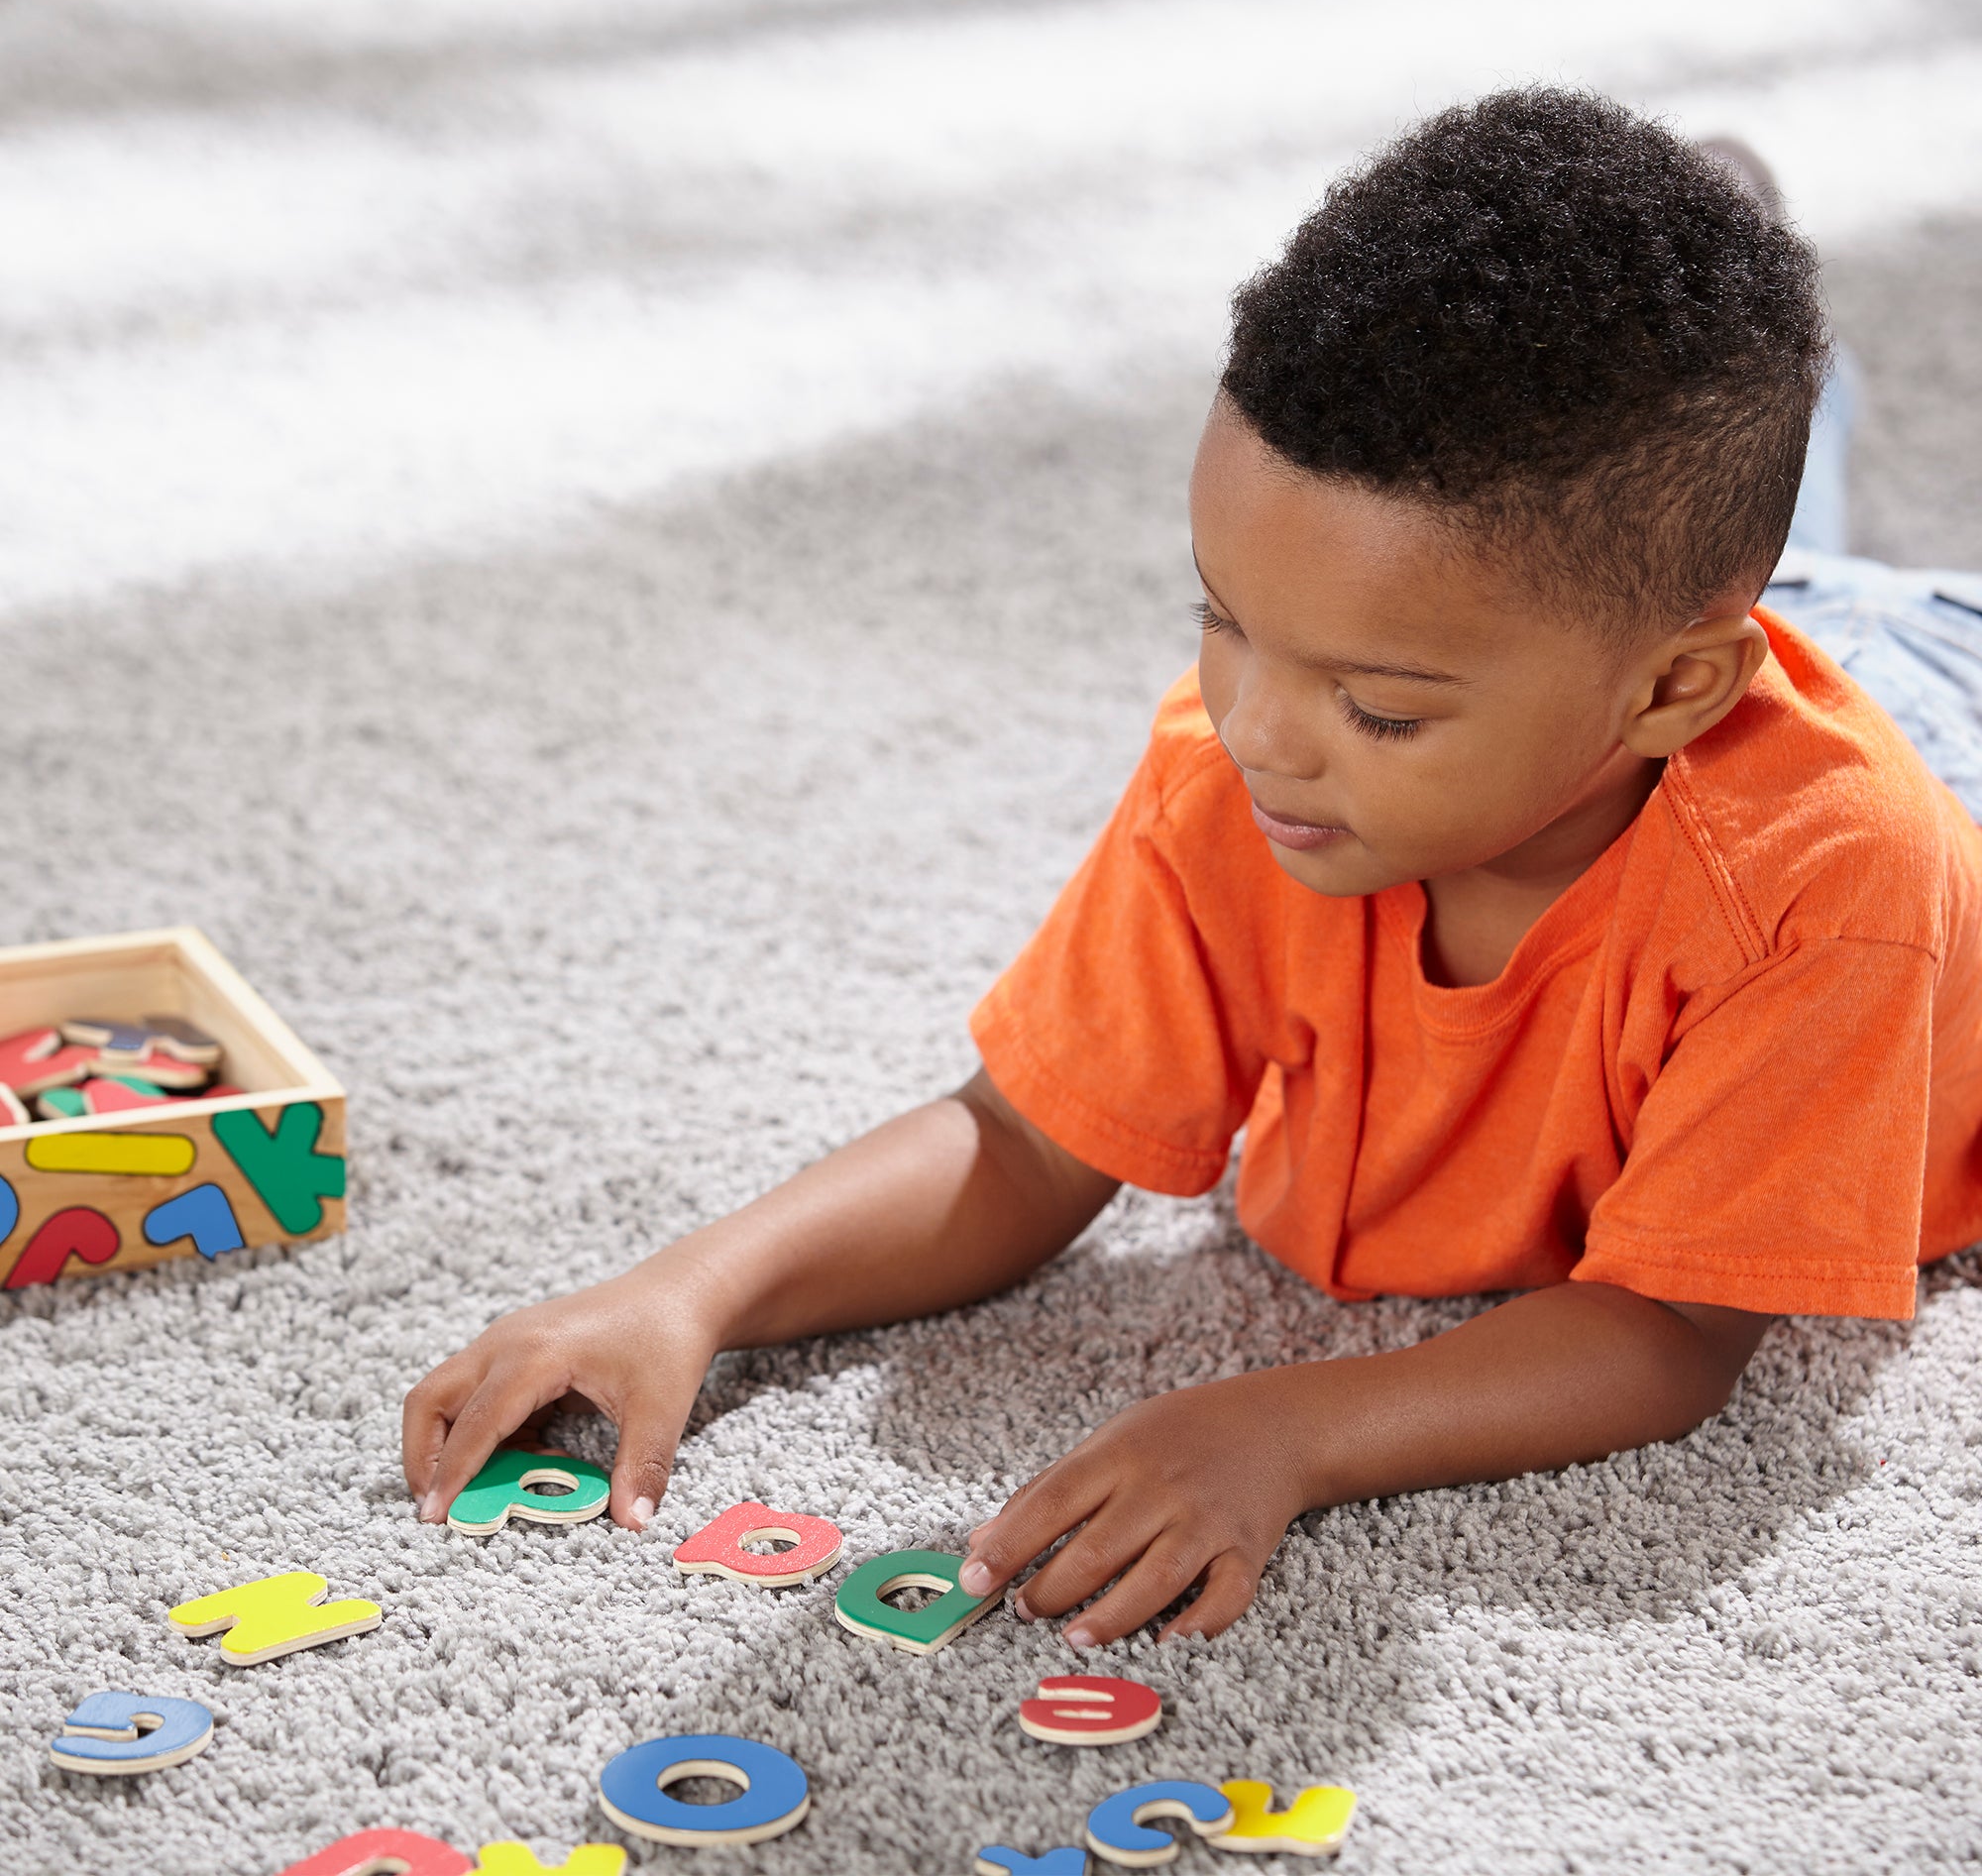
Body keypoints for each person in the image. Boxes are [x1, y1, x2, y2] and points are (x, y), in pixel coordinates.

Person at [401, 86, 1982, 1649]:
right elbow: (1023, 1144)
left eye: (1374, 705)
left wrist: (1286, 1426)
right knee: (1738, 553)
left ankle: (1784, 384)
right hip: (1683, 655)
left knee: (1837, 599)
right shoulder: (1251, 772)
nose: (1254, 729)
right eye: (1220, 618)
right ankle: (1770, 359)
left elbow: (1674, 1327)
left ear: (1670, 698)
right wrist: (690, 1292)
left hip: (1929, 716)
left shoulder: (1831, 889)